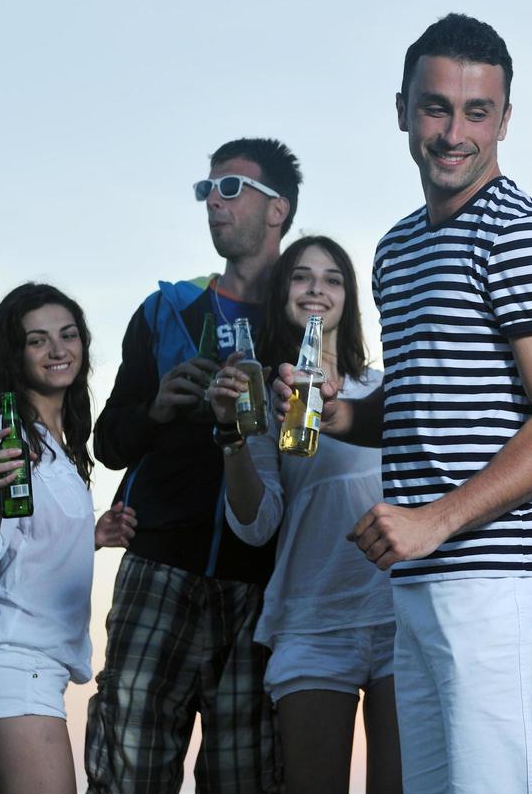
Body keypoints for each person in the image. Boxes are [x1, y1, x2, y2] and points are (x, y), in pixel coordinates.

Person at [280, 13, 532, 793]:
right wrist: (341, 413)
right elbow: (423, 403)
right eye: (436, 108)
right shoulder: (397, 248)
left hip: (504, 586)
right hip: (416, 588)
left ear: (505, 120)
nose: (454, 132)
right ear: (401, 110)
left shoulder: (522, 235)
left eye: (477, 112)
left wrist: (435, 520)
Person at [85, 138, 302, 793]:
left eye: (230, 189)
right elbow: (109, 444)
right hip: (158, 571)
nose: (212, 201)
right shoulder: (165, 312)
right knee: (128, 775)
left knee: (246, 781)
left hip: (262, 589)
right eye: (206, 190)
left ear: (277, 210)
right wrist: (154, 409)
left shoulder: (305, 321)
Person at [207, 235, 400, 794]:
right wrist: (232, 432)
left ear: (350, 297)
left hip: (396, 612)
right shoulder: (263, 397)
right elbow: (256, 523)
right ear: (282, 294)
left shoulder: (386, 388)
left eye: (333, 277)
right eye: (301, 276)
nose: (317, 287)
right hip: (312, 620)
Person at [0, 283, 137, 793]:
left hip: (36, 671)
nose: (58, 350)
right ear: (14, 355)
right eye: (38, 340)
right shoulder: (7, 436)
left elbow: (25, 546)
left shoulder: (58, 447)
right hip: (10, 665)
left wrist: (88, 537)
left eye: (68, 335)